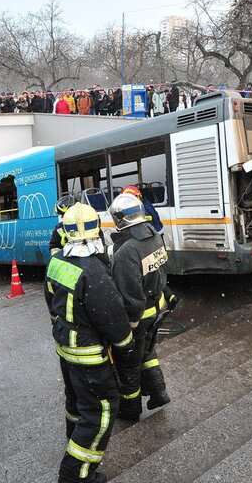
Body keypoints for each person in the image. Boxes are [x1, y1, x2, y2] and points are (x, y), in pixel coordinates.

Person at [45, 203, 134, 483]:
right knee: (100, 411)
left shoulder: (57, 261)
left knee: (76, 401)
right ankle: (77, 475)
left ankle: (73, 439)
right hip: (89, 355)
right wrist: (126, 345)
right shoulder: (93, 271)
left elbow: (51, 300)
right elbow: (113, 319)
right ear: (97, 227)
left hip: (65, 348)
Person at [107, 193, 175, 421]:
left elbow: (130, 296)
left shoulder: (127, 252)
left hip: (139, 316)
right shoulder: (153, 235)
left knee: (128, 364)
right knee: (147, 353)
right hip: (157, 309)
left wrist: (128, 329)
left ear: (119, 219)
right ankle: (159, 392)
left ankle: (130, 408)